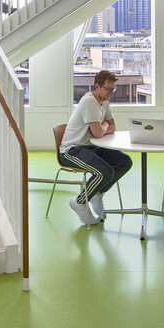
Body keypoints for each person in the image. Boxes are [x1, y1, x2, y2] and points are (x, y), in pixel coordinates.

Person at [59, 70, 132, 225]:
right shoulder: (89, 101)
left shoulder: (104, 101)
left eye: (113, 89)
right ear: (97, 86)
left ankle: (97, 193)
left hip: (90, 147)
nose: (110, 93)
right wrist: (104, 125)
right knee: (105, 172)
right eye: (107, 89)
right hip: (72, 150)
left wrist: (103, 125)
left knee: (125, 161)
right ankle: (79, 201)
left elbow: (112, 126)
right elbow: (98, 133)